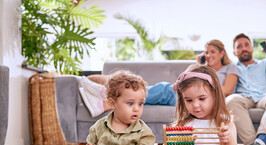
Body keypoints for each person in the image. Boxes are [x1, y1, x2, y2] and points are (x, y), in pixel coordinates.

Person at [79, 39, 239, 118]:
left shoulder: (230, 68)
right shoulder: (203, 68)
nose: (208, 55)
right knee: (164, 88)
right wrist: (198, 66)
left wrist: (204, 81)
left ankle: (106, 100)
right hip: (186, 94)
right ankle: (106, 95)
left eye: (212, 51)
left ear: (222, 53)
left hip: (204, 98)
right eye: (206, 52)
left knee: (163, 89)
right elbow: (185, 83)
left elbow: (226, 90)